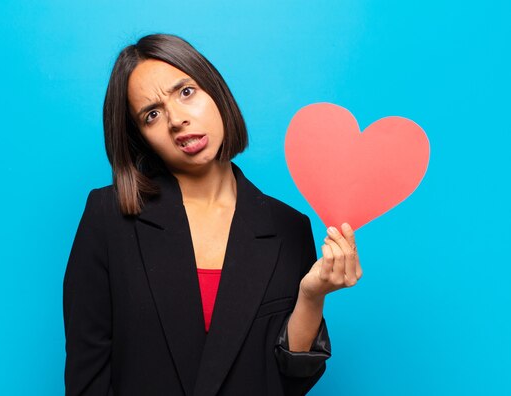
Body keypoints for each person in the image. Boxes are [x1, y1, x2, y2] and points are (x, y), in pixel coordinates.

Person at [63, 33, 362, 396]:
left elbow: (289, 379)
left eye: (186, 92)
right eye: (151, 114)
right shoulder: (108, 218)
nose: (176, 120)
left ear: (215, 91)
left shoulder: (289, 227)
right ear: (140, 137)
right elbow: (87, 375)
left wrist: (312, 296)